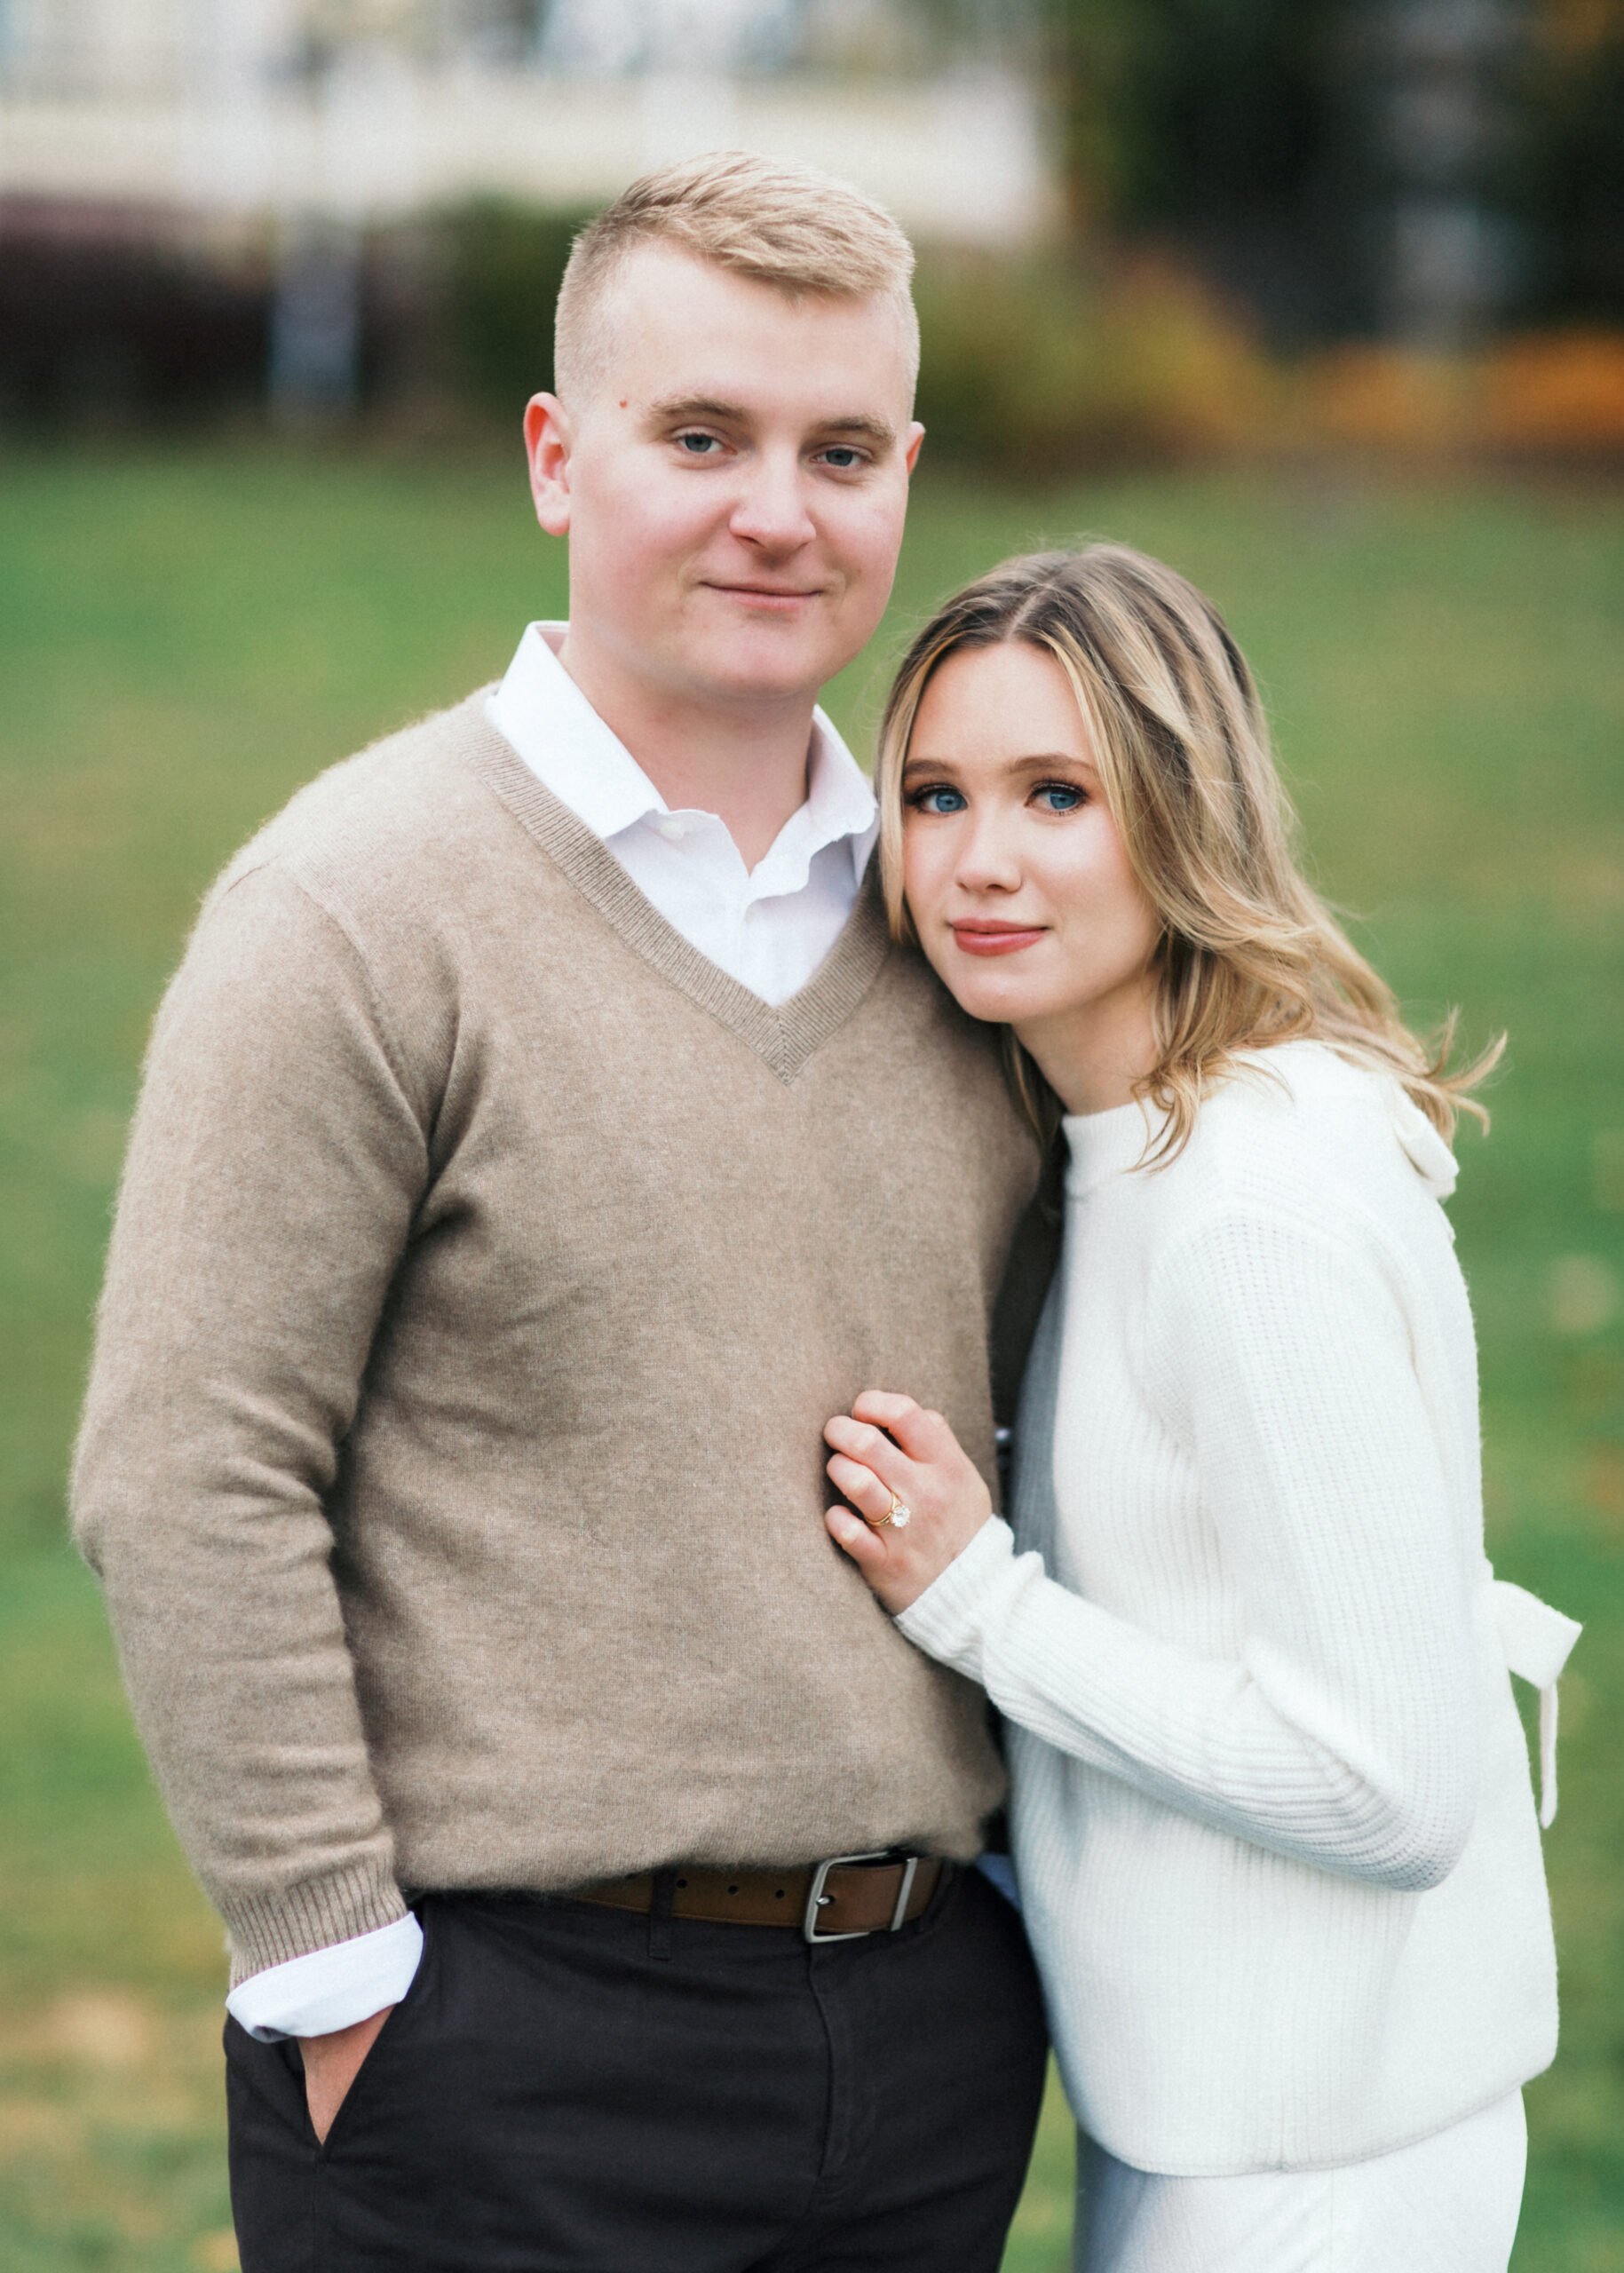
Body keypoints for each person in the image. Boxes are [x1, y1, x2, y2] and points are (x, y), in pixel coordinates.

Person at [70, 154, 1051, 2273]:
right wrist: (335, 1973)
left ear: (905, 474)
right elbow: (186, 1467)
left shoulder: (973, 933)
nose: (776, 509)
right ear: (555, 456)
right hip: (485, 2046)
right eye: (701, 436)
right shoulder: (356, 906)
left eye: (839, 448)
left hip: (922, 2035)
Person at [821, 545, 1580, 2273]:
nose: (979, 860)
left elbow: (1390, 1788)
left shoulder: (1250, 1207)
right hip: (1219, 2113)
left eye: (1057, 793)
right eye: (935, 793)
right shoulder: (1131, 1143)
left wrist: (977, 1598)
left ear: (1183, 811)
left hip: (1324, 2156)